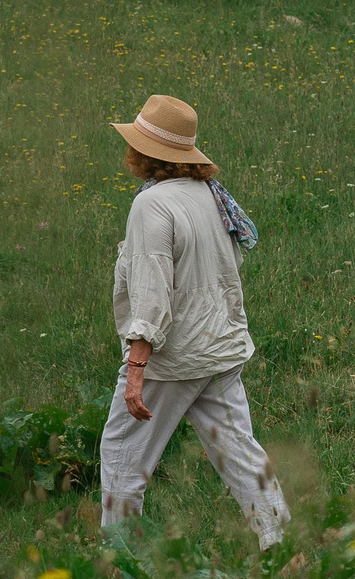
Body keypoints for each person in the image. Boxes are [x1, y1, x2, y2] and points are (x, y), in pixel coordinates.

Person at [101, 94, 289, 548]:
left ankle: (120, 562)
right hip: (220, 348)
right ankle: (281, 547)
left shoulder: (151, 206)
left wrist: (137, 367)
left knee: (123, 454)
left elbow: (152, 290)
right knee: (240, 452)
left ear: (143, 151)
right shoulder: (208, 195)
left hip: (173, 357)